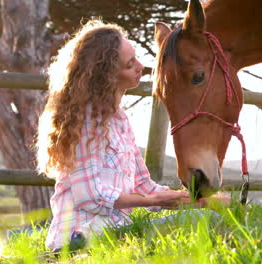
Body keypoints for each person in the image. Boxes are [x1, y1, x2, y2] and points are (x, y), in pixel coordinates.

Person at [36, 19, 224, 252]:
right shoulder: (85, 122)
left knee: (209, 219)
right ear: (105, 76)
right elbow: (89, 196)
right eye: (129, 64)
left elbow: (144, 186)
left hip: (117, 230)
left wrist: (199, 201)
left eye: (135, 58)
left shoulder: (120, 120)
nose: (140, 66)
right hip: (80, 236)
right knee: (206, 225)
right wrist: (152, 202)